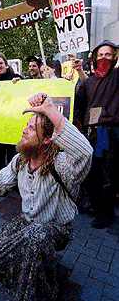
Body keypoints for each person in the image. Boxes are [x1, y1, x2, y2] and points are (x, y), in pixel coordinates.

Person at [0, 93, 93, 301]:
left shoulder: (62, 164)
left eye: (30, 128)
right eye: (26, 125)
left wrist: (51, 111)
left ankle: (39, 293)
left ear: (47, 139)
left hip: (56, 229)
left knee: (35, 238)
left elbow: (85, 153)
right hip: (27, 224)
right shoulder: (20, 160)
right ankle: (31, 278)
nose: (24, 131)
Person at [74, 40, 119, 229]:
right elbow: (77, 100)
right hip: (91, 134)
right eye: (100, 55)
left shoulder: (117, 77)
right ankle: (94, 206)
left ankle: (106, 214)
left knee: (106, 174)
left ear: (115, 57)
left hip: (107, 133)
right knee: (92, 172)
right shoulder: (90, 82)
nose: (103, 58)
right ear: (94, 57)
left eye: (108, 55)